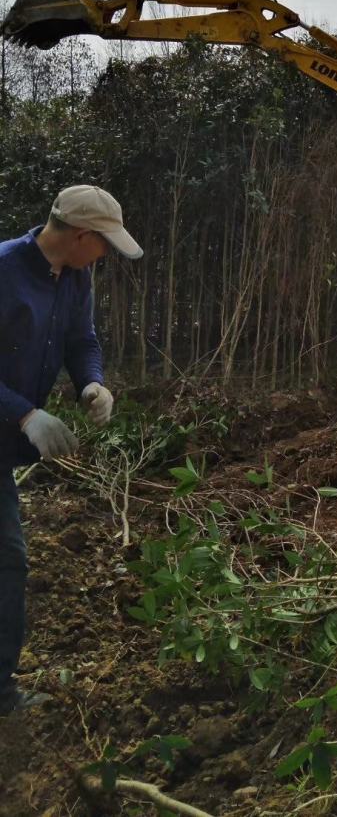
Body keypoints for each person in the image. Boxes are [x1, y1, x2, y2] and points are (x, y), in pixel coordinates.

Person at [0, 185, 142, 715]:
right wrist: (25, 413)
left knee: (7, 560)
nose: (105, 255)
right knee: (8, 558)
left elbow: (81, 339)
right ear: (81, 235)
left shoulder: (76, 277)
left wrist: (92, 384)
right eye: (103, 244)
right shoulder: (4, 269)